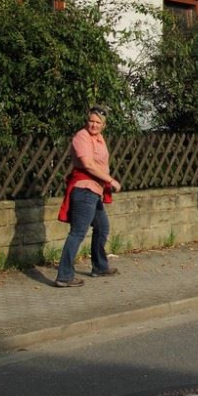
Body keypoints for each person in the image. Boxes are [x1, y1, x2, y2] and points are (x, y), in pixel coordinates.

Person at [54, 106, 122, 287]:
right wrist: (111, 181)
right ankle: (64, 276)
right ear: (87, 121)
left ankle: (99, 267)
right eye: (91, 121)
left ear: (103, 125)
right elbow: (88, 164)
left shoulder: (99, 139)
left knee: (102, 227)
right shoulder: (81, 136)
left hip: (95, 191)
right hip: (84, 190)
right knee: (77, 233)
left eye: (98, 122)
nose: (93, 125)